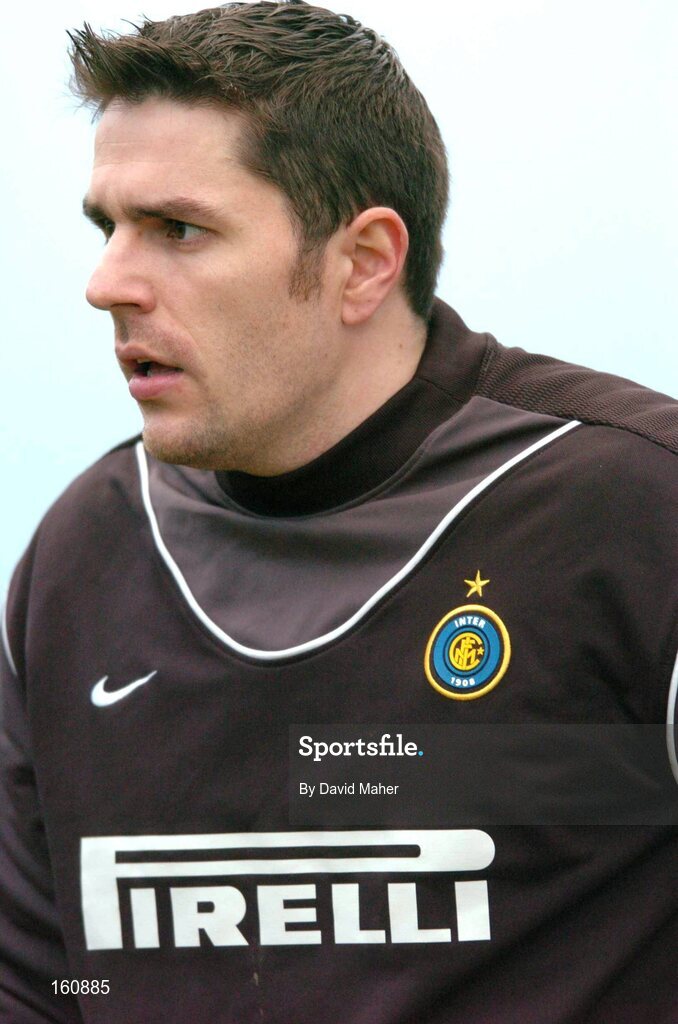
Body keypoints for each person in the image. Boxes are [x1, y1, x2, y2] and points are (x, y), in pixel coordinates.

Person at [1, 2, 676, 1022]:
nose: (106, 284)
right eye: (108, 227)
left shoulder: (634, 506)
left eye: (179, 229)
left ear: (363, 262)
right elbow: (55, 985)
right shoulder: (79, 554)